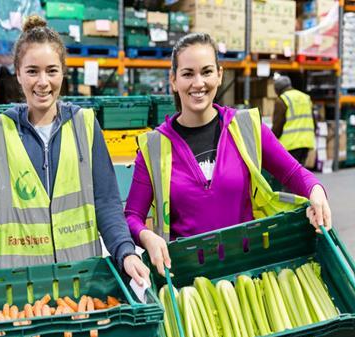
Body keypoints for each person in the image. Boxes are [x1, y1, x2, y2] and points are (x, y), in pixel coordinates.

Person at [0, 15, 149, 312]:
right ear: (18, 74)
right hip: (18, 298)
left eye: (51, 71)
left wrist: (126, 252)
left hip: (80, 292)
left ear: (63, 73)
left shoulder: (85, 126)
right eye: (32, 71)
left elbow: (107, 203)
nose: (42, 82)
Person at [124, 33, 332, 276]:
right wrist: (145, 236)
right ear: (173, 80)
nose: (198, 82)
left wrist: (316, 191)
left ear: (220, 75)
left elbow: (296, 174)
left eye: (207, 71)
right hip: (187, 282)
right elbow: (132, 216)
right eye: (188, 73)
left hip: (250, 274)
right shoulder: (153, 148)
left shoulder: (246, 128)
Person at [271, 75, 316, 165]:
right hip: (307, 141)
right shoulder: (305, 97)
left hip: (291, 144)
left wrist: (271, 140)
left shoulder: (282, 100)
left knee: (289, 175)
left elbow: (278, 125)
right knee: (299, 171)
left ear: (277, 89)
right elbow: (314, 121)